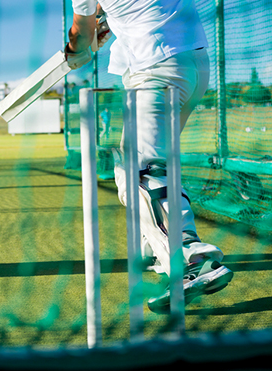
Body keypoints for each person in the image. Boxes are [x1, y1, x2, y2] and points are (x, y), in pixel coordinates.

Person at [67, 0, 233, 312]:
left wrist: (77, 47)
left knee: (139, 171)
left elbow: (80, 36)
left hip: (155, 69)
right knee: (144, 169)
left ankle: (188, 256)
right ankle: (156, 248)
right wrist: (103, 25)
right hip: (194, 66)